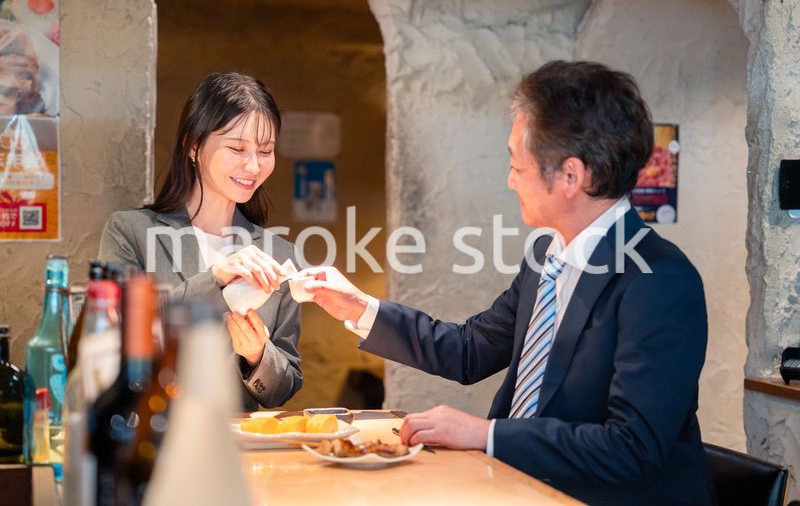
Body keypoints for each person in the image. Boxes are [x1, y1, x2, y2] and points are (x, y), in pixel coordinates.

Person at [302, 61, 714, 505]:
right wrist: (359, 308)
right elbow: (469, 350)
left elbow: (631, 449)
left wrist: (486, 434)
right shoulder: (545, 255)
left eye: (518, 166)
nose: (509, 179)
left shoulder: (660, 280)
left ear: (572, 176)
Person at [99, 72, 302, 411]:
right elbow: (114, 339)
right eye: (237, 148)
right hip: (151, 443)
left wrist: (256, 355)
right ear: (192, 146)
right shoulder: (129, 232)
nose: (253, 165)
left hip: (237, 451)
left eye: (265, 151)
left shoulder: (278, 254)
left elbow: (283, 387)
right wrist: (215, 278)